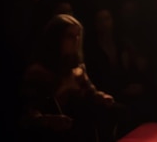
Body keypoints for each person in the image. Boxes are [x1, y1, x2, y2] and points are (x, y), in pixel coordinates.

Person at [19, 13, 121, 142]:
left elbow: (90, 92)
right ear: (56, 38)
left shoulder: (77, 69)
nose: (76, 39)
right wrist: (49, 120)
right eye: (70, 36)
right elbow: (28, 113)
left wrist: (101, 97)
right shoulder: (38, 73)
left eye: (78, 35)